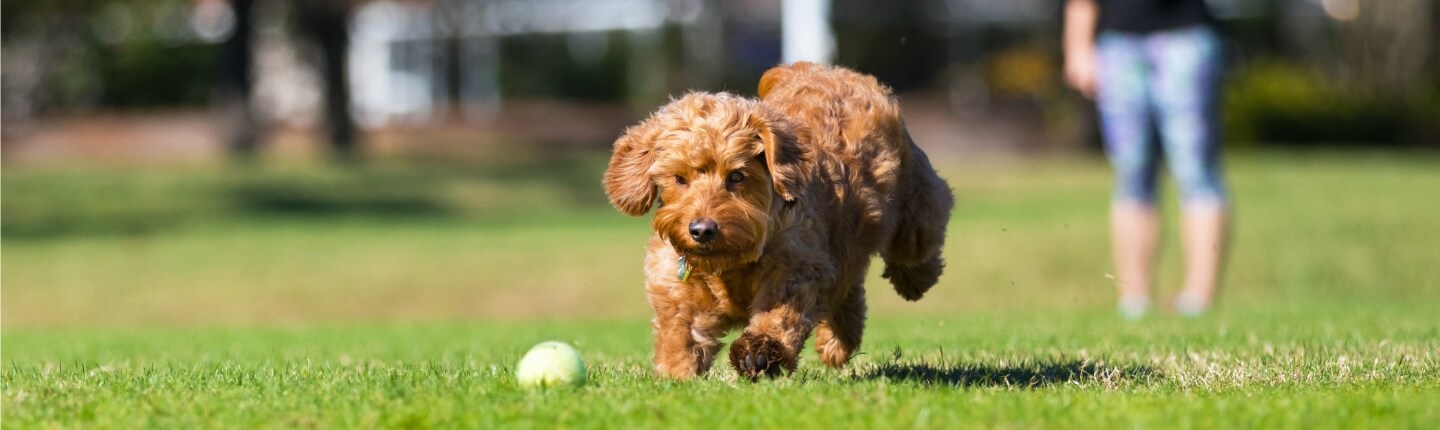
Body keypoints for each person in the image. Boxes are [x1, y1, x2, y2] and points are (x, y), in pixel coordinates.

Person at [1063, 0, 1229, 318]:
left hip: (1187, 37)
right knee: (1131, 176)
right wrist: (1077, 43)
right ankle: (1134, 301)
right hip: (1118, 46)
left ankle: (1198, 301)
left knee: (1197, 173)